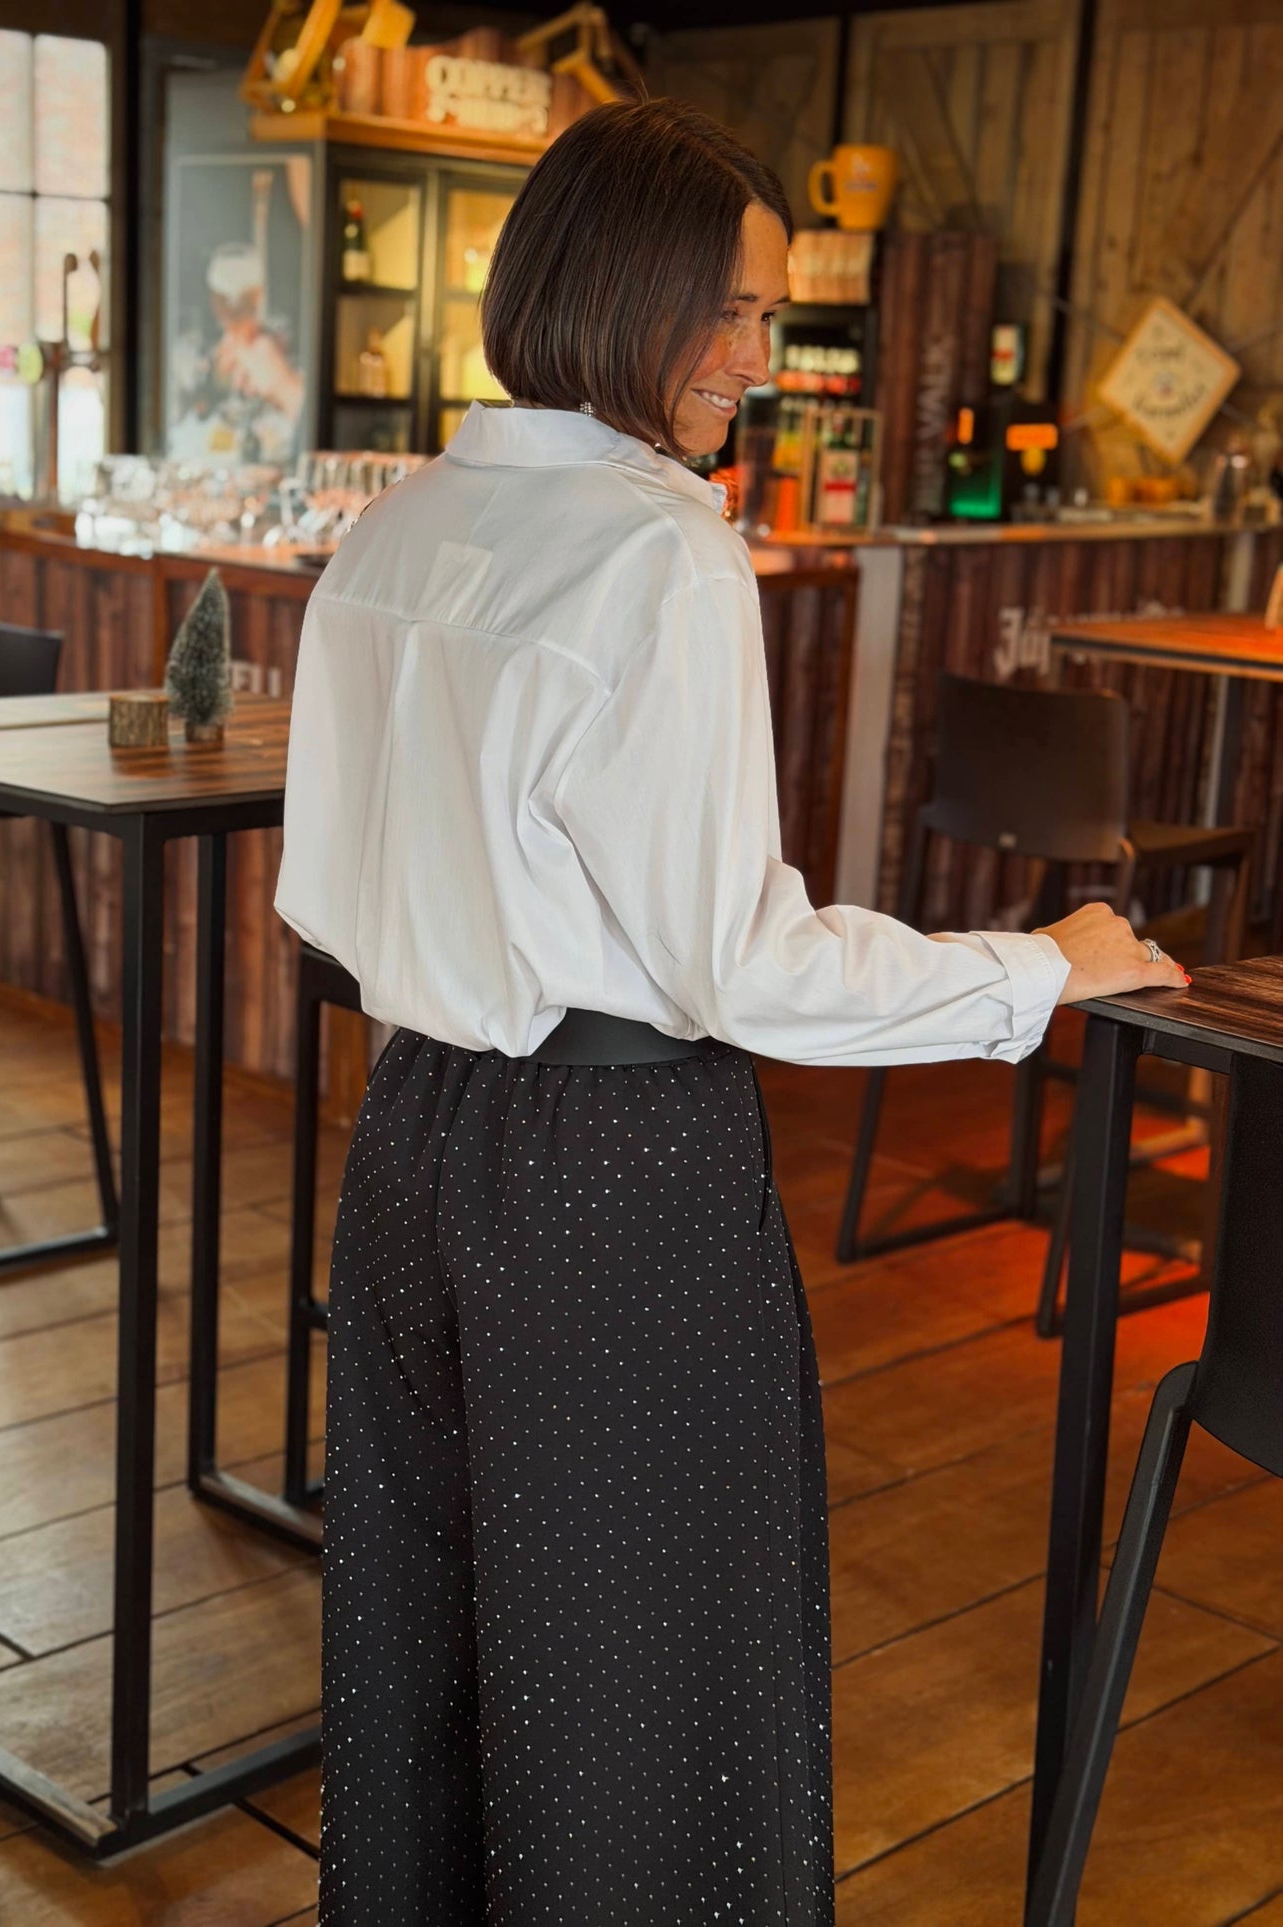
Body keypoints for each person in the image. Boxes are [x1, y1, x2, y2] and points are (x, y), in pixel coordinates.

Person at [274, 97, 1185, 1927]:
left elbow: (322, 889)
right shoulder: (659, 551)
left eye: (768, 318)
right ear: (625, 292)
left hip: (414, 1138)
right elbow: (735, 966)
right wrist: (1036, 967)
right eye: (738, 314)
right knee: (651, 1682)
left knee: (425, 1631)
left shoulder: (399, 524)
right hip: (614, 1168)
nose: (758, 362)